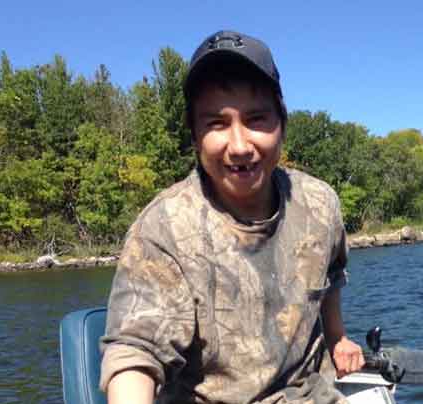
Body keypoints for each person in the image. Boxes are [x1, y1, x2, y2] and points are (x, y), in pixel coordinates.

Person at [99, 30, 365, 404]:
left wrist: (337, 338)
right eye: (216, 123)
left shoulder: (319, 203)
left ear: (282, 124)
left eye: (256, 119)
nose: (240, 147)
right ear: (195, 136)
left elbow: (331, 274)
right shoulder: (165, 227)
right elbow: (135, 353)